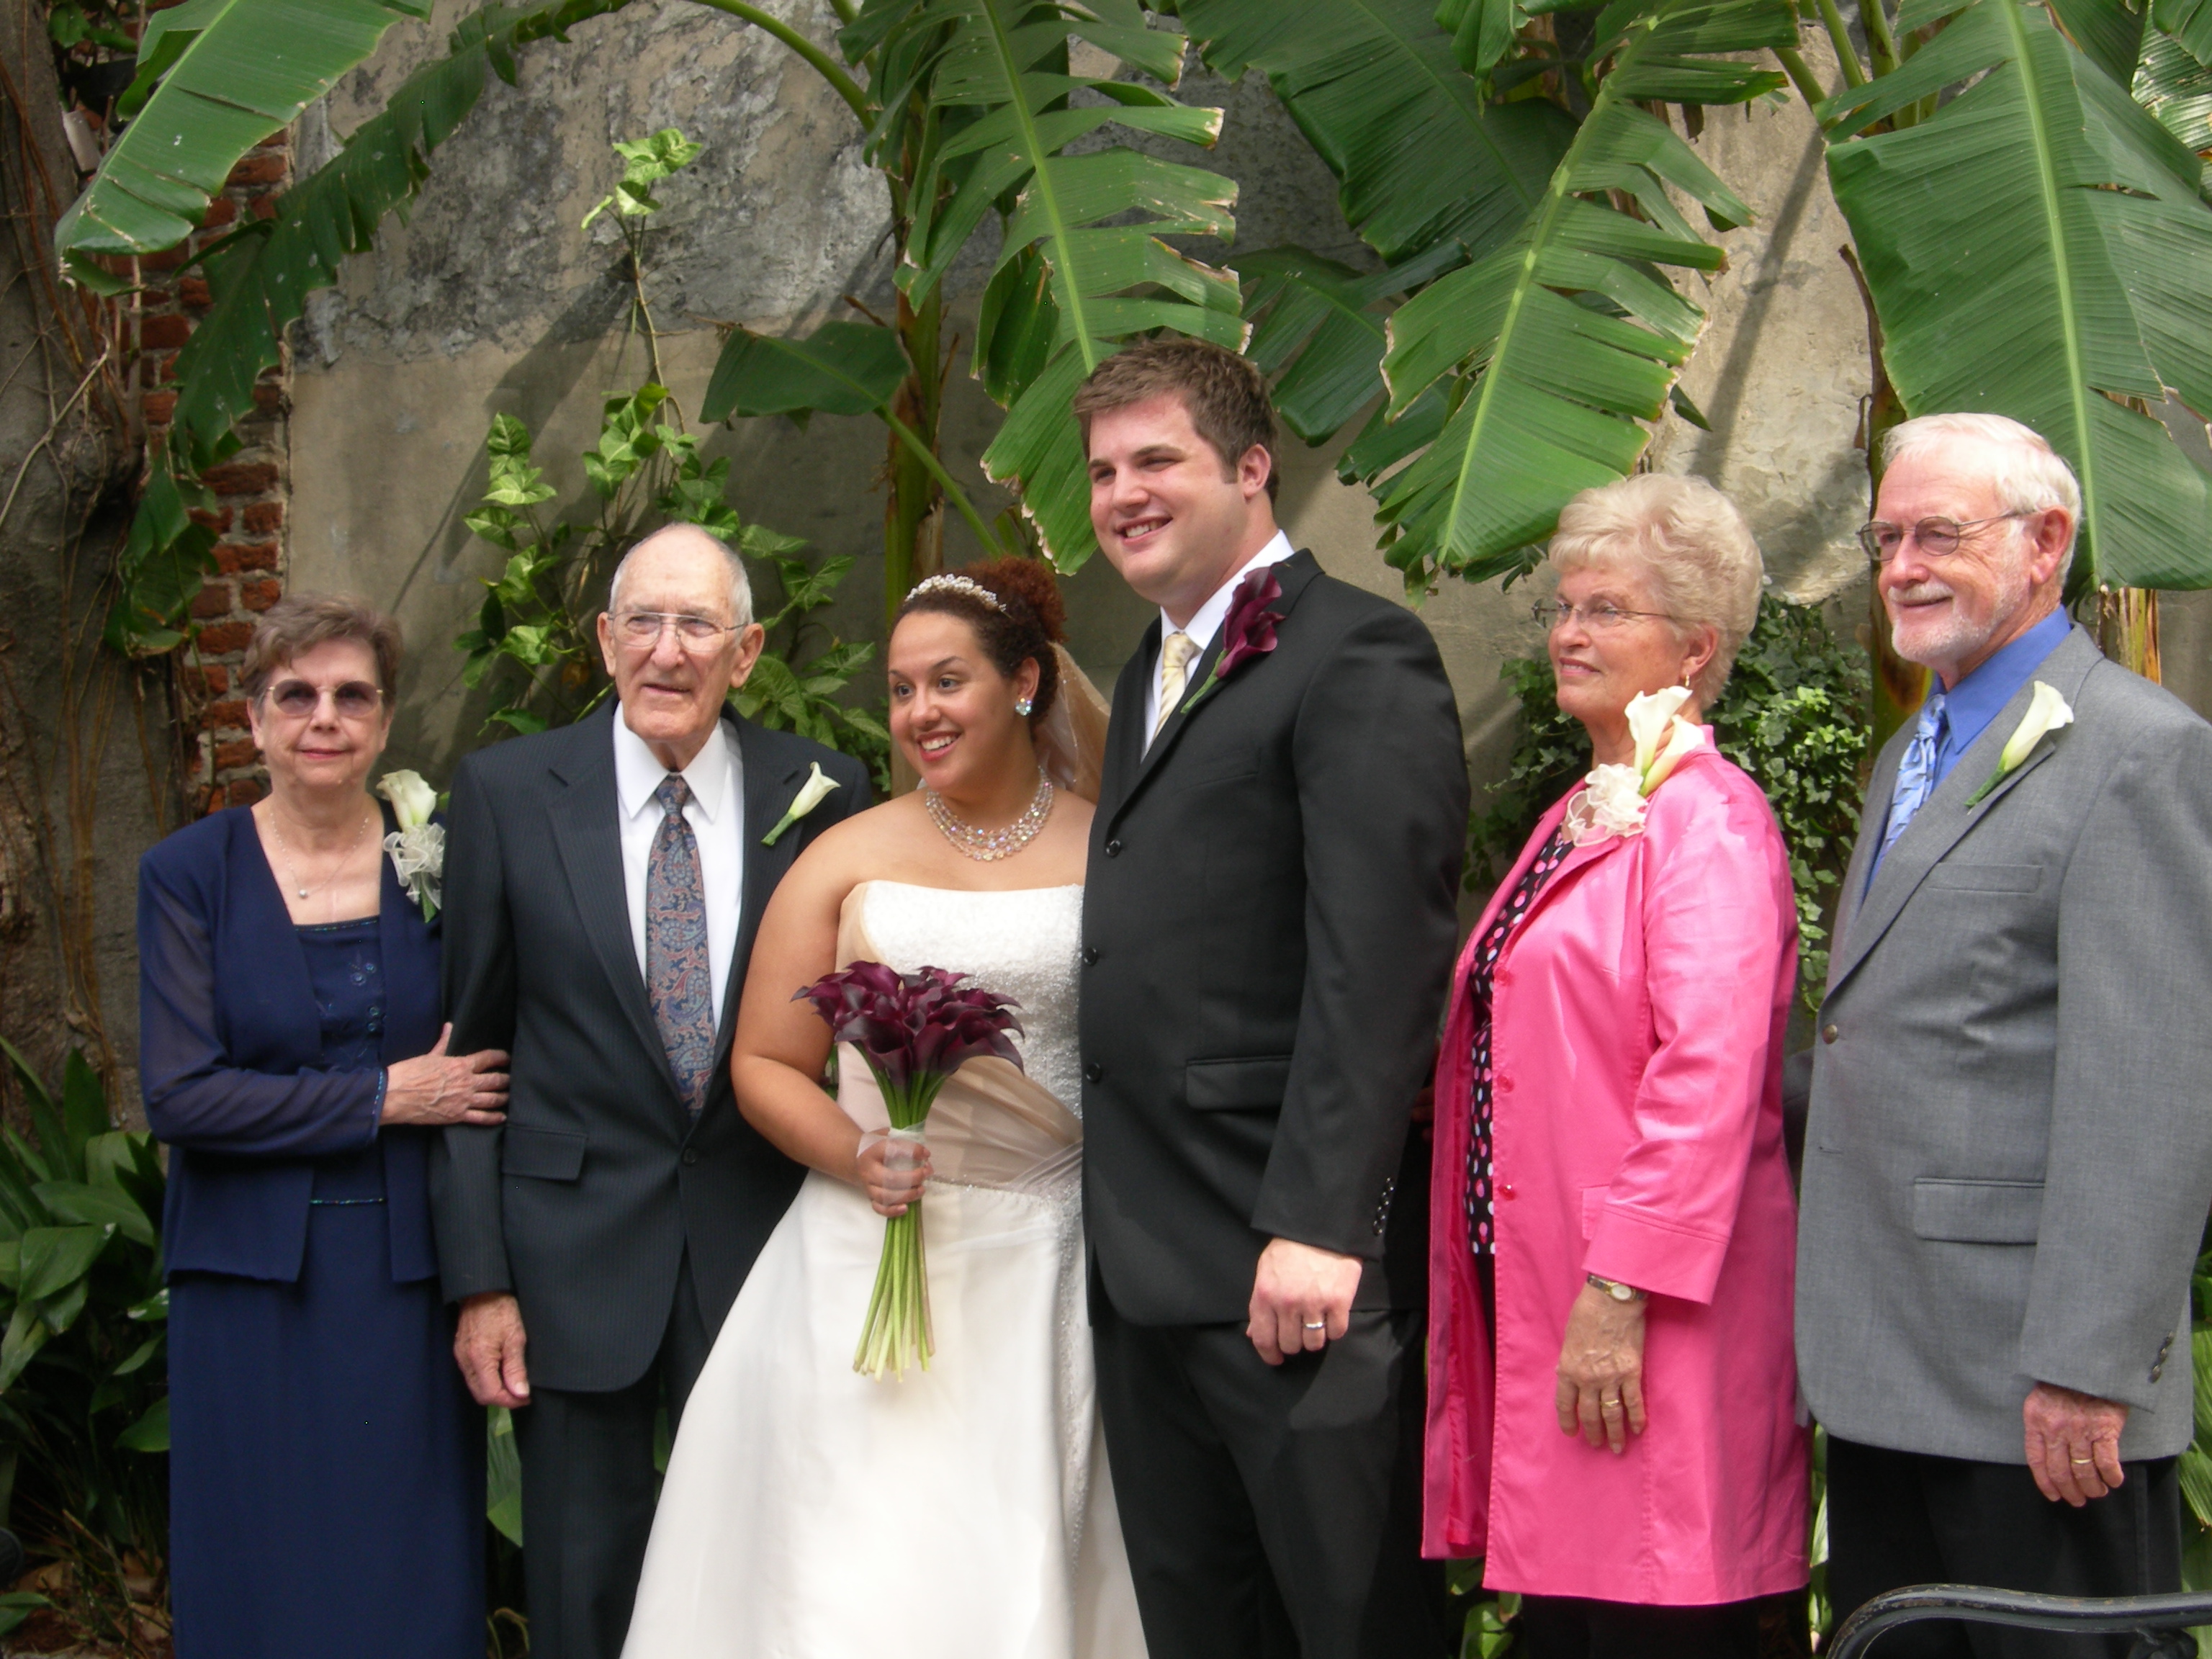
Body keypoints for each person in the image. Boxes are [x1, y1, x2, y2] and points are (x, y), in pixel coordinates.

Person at [620, 557, 1140, 1658]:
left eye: (948, 682)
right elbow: (765, 1062)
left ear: (1025, 684)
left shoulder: (1111, 848)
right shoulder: (846, 855)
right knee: (854, 1556)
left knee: (1013, 1552)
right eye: (901, 690)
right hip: (866, 1253)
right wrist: (858, 1152)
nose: (919, 713)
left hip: (1047, 1259)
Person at [1074, 337, 1468, 1659]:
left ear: (1252, 469)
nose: (1124, 494)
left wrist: (1319, 1224)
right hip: (1150, 1266)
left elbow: (1381, 962)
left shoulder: (1359, 654)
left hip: (1284, 1263)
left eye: (1157, 461)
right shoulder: (1150, 667)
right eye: (1103, 472)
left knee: (1353, 1627)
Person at [1797, 413, 2212, 1657]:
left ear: (2046, 542)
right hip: (1887, 1360)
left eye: (1939, 534)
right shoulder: (1910, 752)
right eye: (1885, 539)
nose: (1903, 566)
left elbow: (2154, 1085)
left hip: (2036, 1392)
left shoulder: (2141, 750)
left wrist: (2090, 1365)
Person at [431, 524, 871, 1659]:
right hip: (570, 1252)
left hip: (764, 1239)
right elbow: (470, 1058)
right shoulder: (506, 792)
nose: (665, 651)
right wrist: (481, 1282)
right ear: (603, 639)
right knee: (582, 1577)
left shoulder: (822, 793)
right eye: (642, 621)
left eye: (696, 626)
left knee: (777, 1563)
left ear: (747, 651)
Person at [1422, 475, 1809, 1658]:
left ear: (1695, 649)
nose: (1569, 633)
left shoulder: (1712, 823)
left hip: (1644, 1316)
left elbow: (1708, 1074)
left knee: (1656, 1607)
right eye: (1564, 607)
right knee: (1580, 1614)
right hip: (1558, 1296)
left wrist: (1622, 1286)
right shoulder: (1585, 810)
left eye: (1607, 610)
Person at [138, 595, 509, 1659]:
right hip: (248, 1281)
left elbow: (487, 1053)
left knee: (405, 1559)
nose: (325, 718)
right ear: (255, 719)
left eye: (353, 696)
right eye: (295, 696)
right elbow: (182, 1096)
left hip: (407, 1279)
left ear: (385, 723)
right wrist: (384, 1097)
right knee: (261, 1560)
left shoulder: (442, 863)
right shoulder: (187, 874)